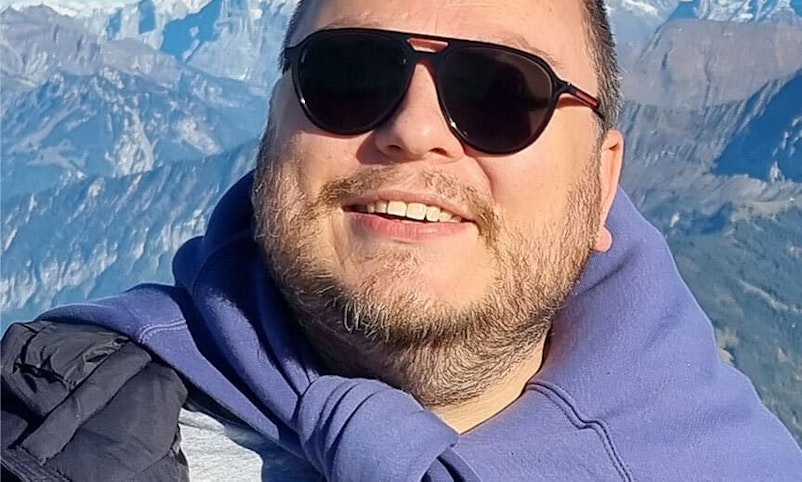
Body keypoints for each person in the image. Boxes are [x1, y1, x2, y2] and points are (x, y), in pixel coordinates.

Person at [2, 0, 801, 480]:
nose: (413, 131)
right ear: (275, 126)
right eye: (347, 76)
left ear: (601, 182)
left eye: (501, 94)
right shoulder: (45, 422)